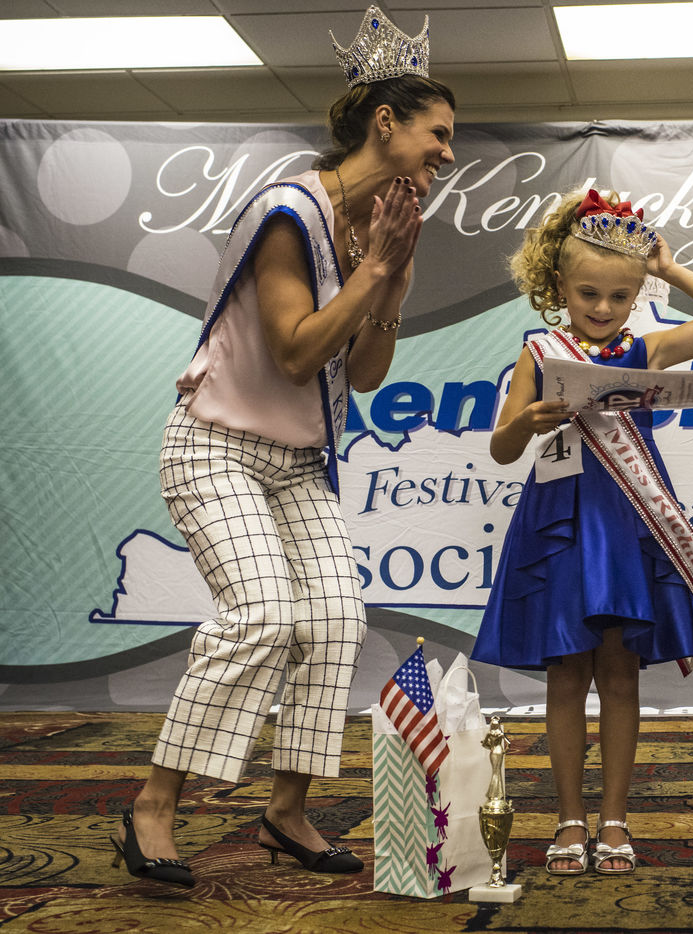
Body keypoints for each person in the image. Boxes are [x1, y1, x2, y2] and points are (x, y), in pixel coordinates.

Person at [110, 5, 456, 887]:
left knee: (337, 619)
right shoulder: (287, 212)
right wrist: (374, 272)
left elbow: (363, 372)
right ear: (386, 122)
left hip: (296, 462)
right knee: (262, 615)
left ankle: (284, 812)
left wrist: (392, 282)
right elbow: (299, 352)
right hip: (215, 446)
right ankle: (152, 808)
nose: (448, 153)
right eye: (439, 133)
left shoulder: (381, 232)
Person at [471, 188, 693, 874]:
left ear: (637, 294)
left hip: (628, 523)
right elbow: (502, 451)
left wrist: (670, 269)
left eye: (620, 296)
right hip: (561, 523)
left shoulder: (646, 347)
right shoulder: (540, 351)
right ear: (557, 285)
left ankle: (615, 820)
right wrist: (525, 422)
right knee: (566, 674)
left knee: (620, 674)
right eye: (588, 293)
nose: (602, 308)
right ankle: (570, 819)